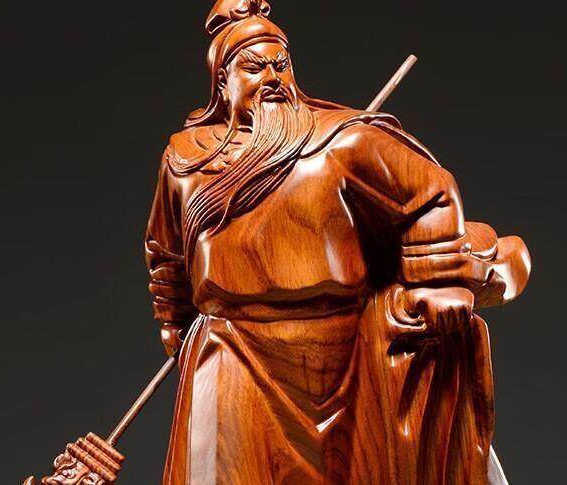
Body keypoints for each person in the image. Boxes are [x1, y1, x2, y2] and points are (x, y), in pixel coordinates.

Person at [145, 1, 530, 483]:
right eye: (254, 67)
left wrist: (436, 281)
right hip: (231, 350)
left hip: (344, 352)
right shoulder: (185, 160)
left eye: (280, 65)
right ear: (222, 82)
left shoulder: (342, 143)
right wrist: (174, 320)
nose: (272, 78)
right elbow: (167, 251)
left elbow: (431, 193)